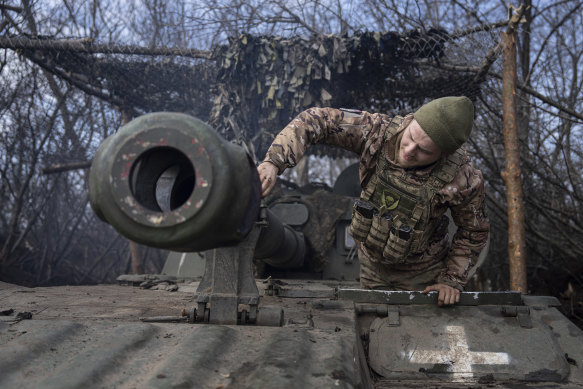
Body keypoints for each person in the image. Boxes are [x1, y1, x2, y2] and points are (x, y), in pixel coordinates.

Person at [257, 96, 490, 306]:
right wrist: (274, 162)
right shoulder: (376, 132)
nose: (409, 150)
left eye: (424, 151)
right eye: (410, 137)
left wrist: (450, 280)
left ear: (443, 155)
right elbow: (316, 120)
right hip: (370, 265)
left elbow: (474, 231)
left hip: (422, 277)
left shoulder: (461, 178)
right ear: (410, 122)